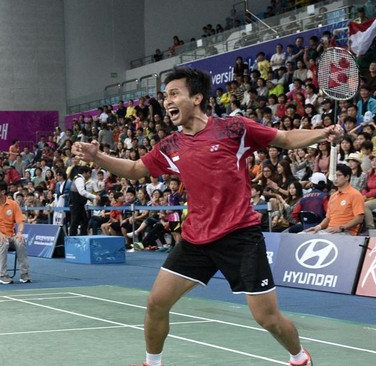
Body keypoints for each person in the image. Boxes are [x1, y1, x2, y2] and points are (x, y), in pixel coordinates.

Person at [72, 67, 343, 366]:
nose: (167, 101)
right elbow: (136, 170)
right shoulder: (170, 145)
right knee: (156, 303)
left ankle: (300, 358)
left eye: (174, 94)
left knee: (267, 318)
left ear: (197, 98)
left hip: (240, 235)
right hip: (196, 238)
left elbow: (287, 138)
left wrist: (322, 133)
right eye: (165, 96)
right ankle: (153, 363)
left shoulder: (233, 128)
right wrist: (98, 157)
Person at [0, 181, 31, 284]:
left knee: (20, 241)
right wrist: (0, 234)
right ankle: (3, 275)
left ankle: (24, 274)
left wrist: (19, 232)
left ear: (3, 192)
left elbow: (20, 221)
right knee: (3, 241)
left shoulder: (13, 204)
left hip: (10, 236)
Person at [305, 164, 365, 235]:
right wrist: (319, 226)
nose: (335, 178)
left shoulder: (355, 194)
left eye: (339, 175)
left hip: (346, 232)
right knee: (302, 235)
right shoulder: (333, 196)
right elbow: (328, 218)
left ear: (347, 177)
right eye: (335, 176)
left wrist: (341, 227)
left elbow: (359, 218)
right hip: (330, 230)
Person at [69, 166, 99, 235]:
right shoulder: (79, 179)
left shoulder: (77, 178)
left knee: (84, 221)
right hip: (76, 204)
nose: (90, 175)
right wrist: (94, 196)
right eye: (89, 173)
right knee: (75, 222)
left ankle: (82, 235)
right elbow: (81, 191)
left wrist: (88, 198)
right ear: (85, 172)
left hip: (78, 204)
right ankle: (73, 237)